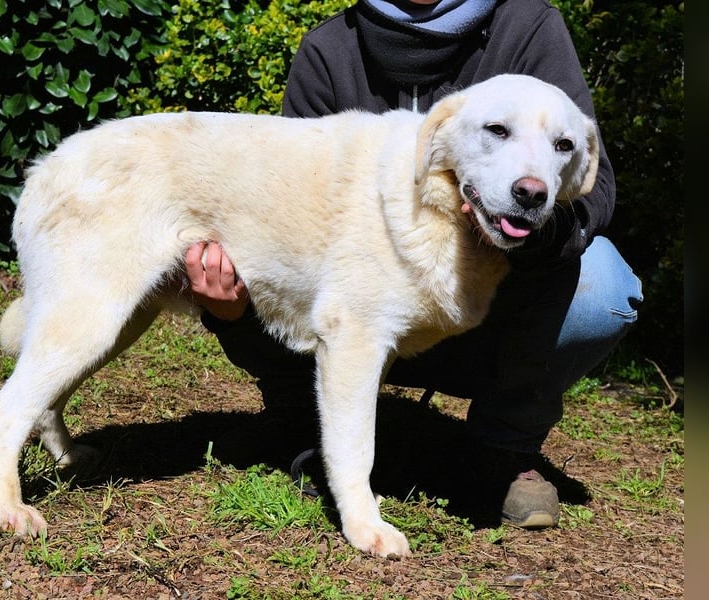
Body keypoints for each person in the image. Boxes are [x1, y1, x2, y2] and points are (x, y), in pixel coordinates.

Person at [184, 0, 643, 529]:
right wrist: (232, 313)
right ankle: (305, 426)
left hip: (493, 313)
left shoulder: (529, 26)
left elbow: (593, 188)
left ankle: (502, 449)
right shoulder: (330, 49)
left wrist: (522, 230)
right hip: (360, 313)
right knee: (288, 278)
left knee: (601, 283)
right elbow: (286, 232)